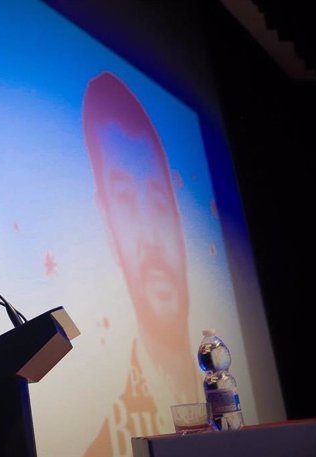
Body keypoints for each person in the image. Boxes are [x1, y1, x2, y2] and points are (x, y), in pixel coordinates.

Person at [81, 72, 202, 455]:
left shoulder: (228, 382)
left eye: (157, 199)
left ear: (179, 218)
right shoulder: (106, 444)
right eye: (127, 204)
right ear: (108, 229)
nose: (150, 236)